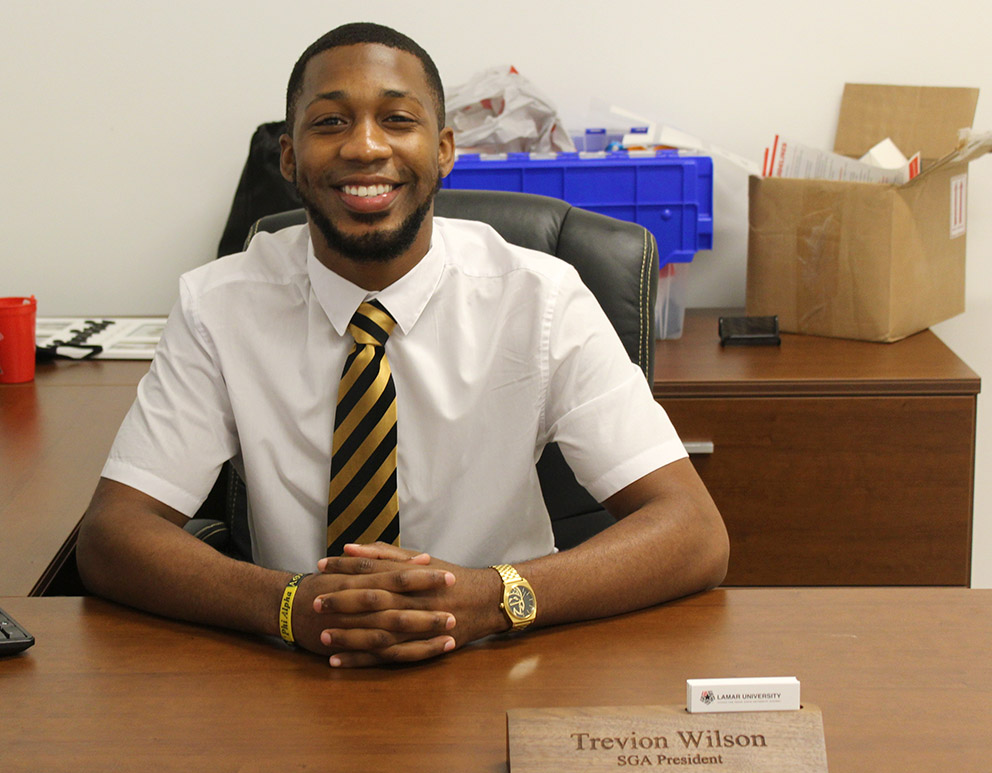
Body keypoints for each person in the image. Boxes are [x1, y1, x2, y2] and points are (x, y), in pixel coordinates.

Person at [77, 22, 728, 668]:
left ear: (443, 149)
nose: (365, 147)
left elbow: (693, 531)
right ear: (287, 158)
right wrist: (289, 604)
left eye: (397, 119)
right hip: (297, 674)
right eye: (330, 122)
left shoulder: (542, 298)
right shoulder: (218, 306)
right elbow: (113, 535)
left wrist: (490, 597)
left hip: (500, 660)